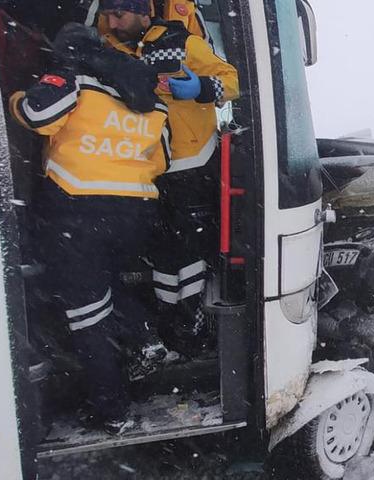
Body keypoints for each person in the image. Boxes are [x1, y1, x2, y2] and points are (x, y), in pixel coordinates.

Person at [9, 23, 169, 433]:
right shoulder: (149, 96)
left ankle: (112, 410)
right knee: (106, 286)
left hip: (78, 210)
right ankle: (145, 334)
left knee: (86, 316)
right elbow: (161, 159)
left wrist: (13, 99)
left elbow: (36, 114)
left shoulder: (72, 78)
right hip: (135, 210)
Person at [99, 0, 239, 347]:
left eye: (119, 15)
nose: (114, 24)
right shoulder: (108, 53)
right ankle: (170, 320)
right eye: (108, 17)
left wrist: (202, 89)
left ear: (143, 12)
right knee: (160, 249)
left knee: (190, 246)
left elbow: (232, 80)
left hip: (190, 163)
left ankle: (194, 318)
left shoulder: (183, 42)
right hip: (143, 167)